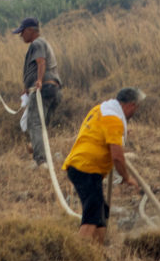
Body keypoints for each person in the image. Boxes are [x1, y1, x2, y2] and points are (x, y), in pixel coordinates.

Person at [62, 88, 145, 244]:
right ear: (131, 105)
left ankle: (98, 253)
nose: (136, 111)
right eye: (136, 107)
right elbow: (117, 157)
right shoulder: (113, 119)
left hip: (81, 165)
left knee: (101, 212)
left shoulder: (100, 109)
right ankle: (79, 255)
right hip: (86, 168)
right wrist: (126, 178)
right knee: (92, 215)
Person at [14, 18, 62, 167]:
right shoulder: (41, 43)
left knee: (34, 123)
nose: (21, 35)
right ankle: (42, 154)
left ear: (30, 30)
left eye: (22, 32)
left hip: (44, 88)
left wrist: (39, 81)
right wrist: (28, 86)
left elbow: (41, 62)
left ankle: (40, 160)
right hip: (52, 88)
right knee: (41, 125)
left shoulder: (37, 43)